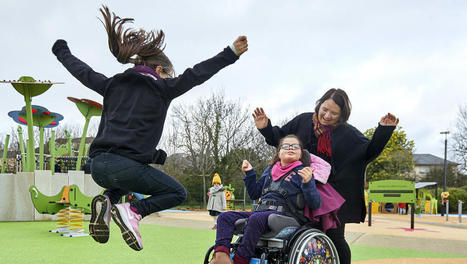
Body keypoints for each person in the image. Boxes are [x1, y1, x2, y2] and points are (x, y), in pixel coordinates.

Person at [52, 5, 248, 251]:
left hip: (99, 168)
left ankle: (107, 201)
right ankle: (133, 211)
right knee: (177, 192)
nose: (169, 79)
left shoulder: (112, 84)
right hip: (126, 167)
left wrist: (62, 51)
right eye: (167, 75)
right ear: (159, 70)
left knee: (131, 175)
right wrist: (231, 53)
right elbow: (197, 73)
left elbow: (83, 72)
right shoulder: (162, 88)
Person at [252, 88, 399, 264]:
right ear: (319, 105)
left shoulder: (347, 133)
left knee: (335, 238)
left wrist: (384, 131)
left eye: (334, 113)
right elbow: (281, 139)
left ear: (342, 115)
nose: (327, 115)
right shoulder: (303, 121)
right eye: (325, 109)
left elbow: (368, 151)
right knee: (294, 236)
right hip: (298, 191)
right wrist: (266, 128)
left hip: (329, 197)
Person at [210, 135, 324, 264]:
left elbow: (315, 204)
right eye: (285, 146)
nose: (290, 148)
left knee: (256, 219)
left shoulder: (303, 172)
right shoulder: (269, 171)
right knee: (225, 217)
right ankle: (220, 256)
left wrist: (308, 182)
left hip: (286, 216)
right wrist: (250, 173)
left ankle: (240, 260)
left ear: (301, 153)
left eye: (295, 146)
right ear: (279, 152)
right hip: (260, 213)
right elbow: (254, 194)